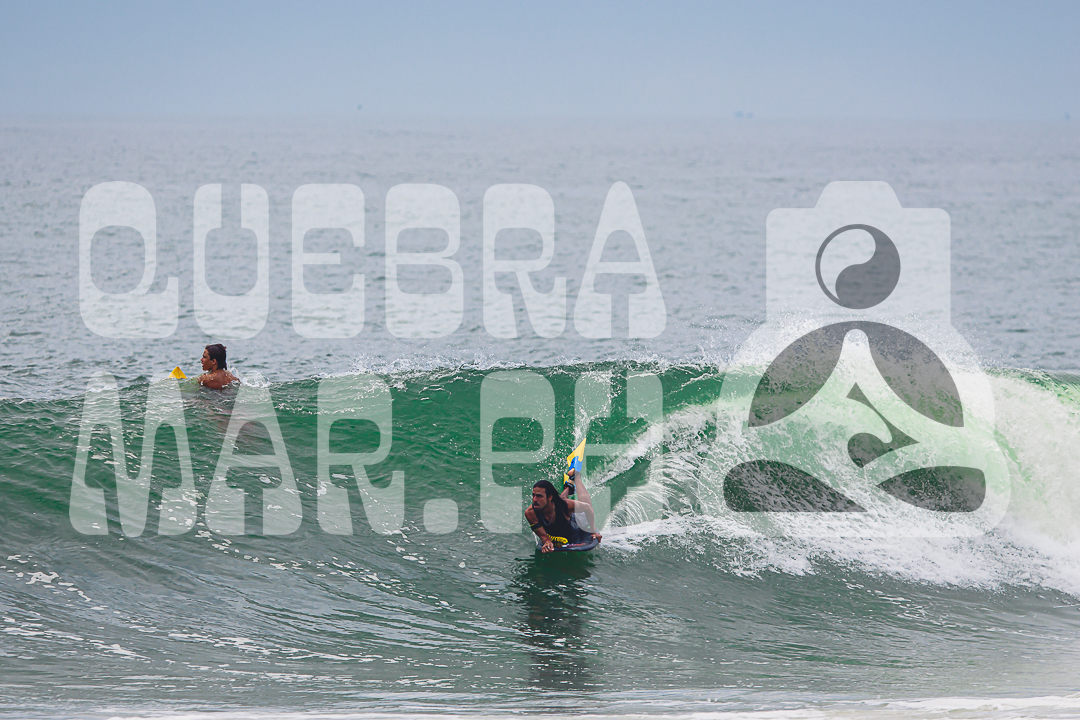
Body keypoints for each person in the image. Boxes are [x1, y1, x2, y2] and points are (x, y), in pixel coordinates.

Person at [525, 468, 602, 553]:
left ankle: (576, 477)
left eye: (539, 496)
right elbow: (544, 537)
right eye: (533, 495)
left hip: (576, 524)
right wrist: (547, 541)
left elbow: (587, 508)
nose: (534, 499)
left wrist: (593, 531)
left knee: (584, 504)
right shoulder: (530, 513)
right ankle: (568, 487)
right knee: (560, 500)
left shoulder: (565, 506)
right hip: (560, 520)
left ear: (550, 497)